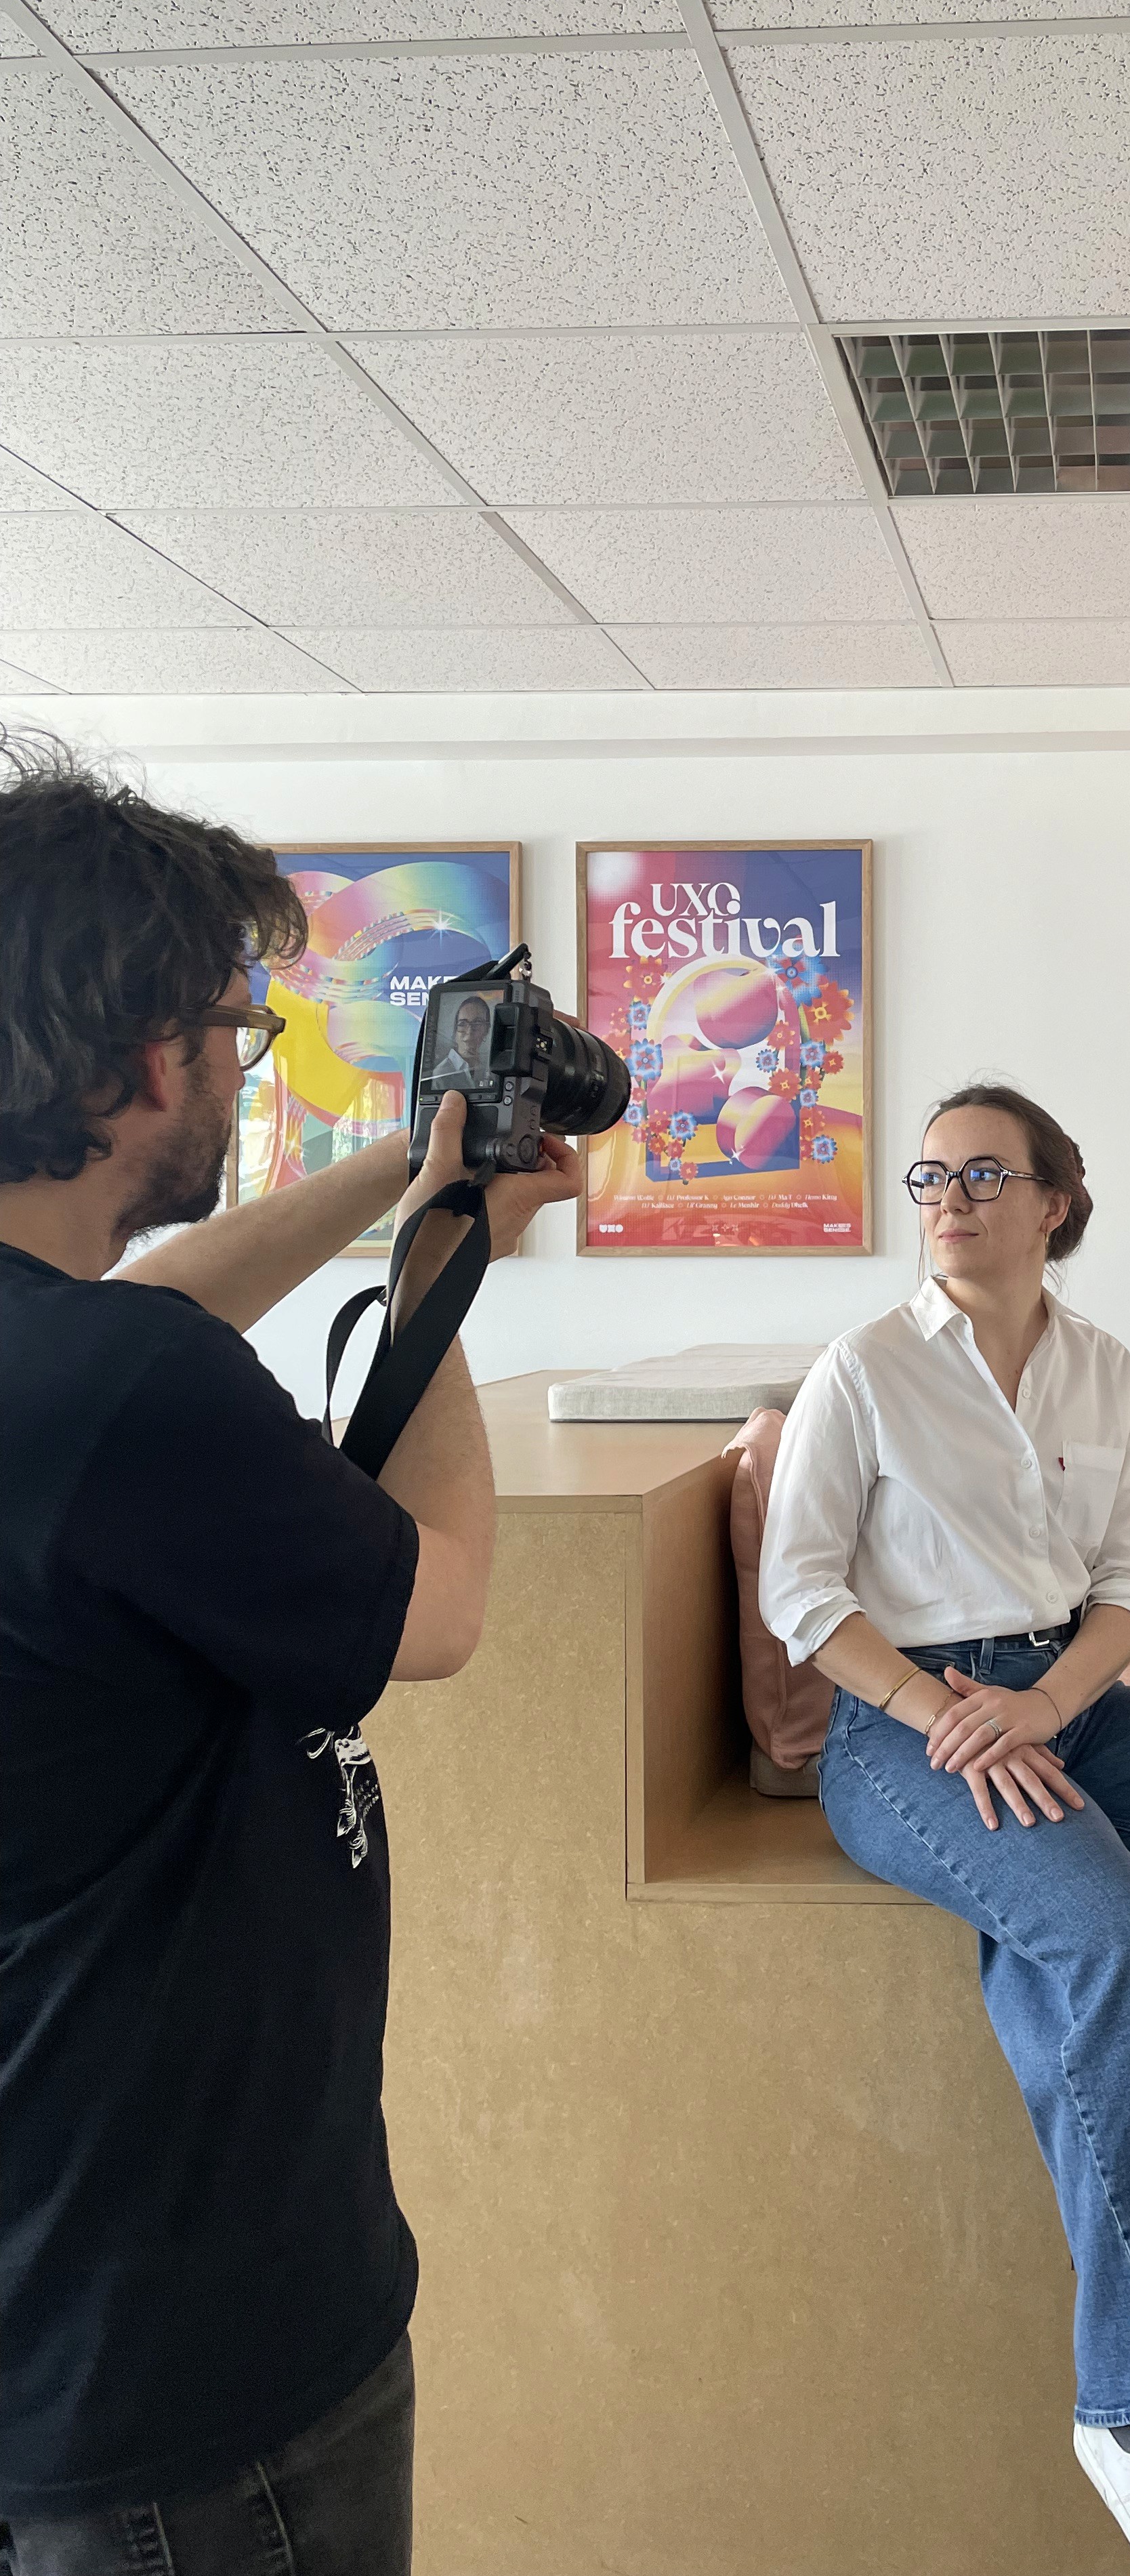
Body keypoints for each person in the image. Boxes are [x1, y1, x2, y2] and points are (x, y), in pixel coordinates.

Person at [0, 733, 579, 2573]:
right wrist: (442, 1269)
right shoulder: (116, 1392)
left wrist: (406, 1173)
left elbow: (137, 1315)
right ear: (140, 1056)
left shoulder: (64, 1364)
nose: (243, 1070)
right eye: (237, 1031)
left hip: (52, 2316)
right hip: (189, 2361)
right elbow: (441, 1604)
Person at [757, 1083, 1130, 2576]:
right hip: (901, 1725)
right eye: (927, 1175)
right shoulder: (865, 1369)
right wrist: (945, 1712)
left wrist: (1053, 1703)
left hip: (1063, 1698)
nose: (946, 1197)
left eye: (981, 1173)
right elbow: (802, 1593)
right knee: (1115, 1935)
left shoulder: (1101, 1368)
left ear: (1053, 1202)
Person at [423, 991, 493, 1089]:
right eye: (462, 1024)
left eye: (477, 1023)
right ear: (455, 1031)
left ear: (487, 1030)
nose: (469, 1031)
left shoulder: (487, 1068)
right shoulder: (441, 1074)